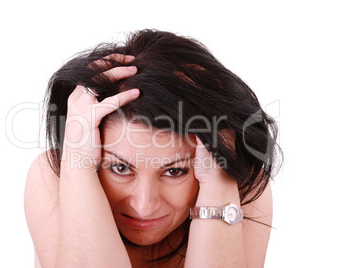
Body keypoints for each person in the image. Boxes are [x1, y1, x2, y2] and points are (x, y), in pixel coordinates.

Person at [24, 29, 281, 267]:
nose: (144, 206)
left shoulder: (243, 188)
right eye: (120, 168)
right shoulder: (55, 177)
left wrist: (219, 180)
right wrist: (77, 166)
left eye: (174, 172)